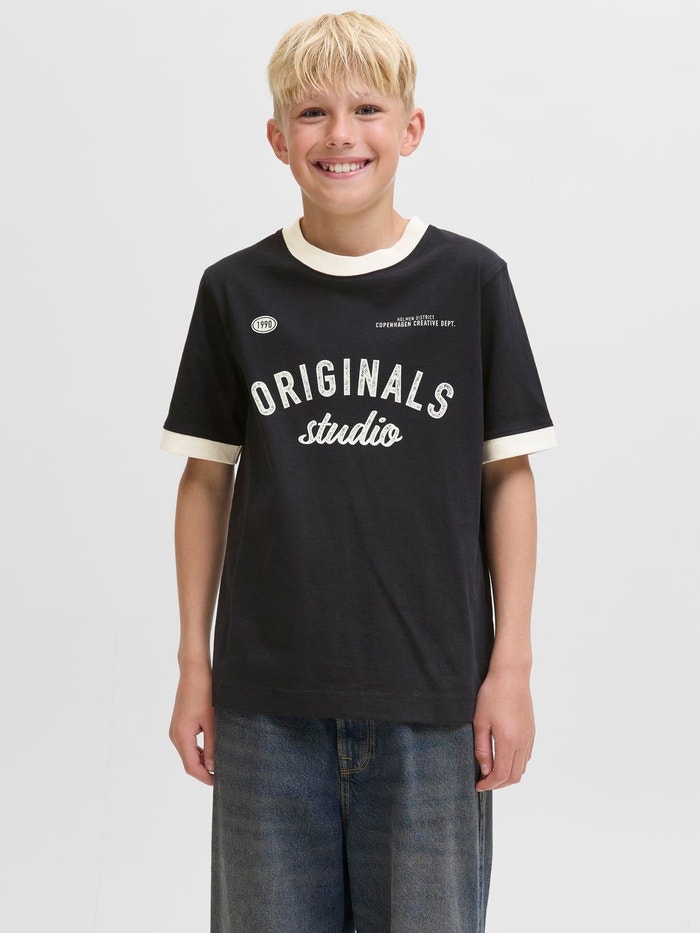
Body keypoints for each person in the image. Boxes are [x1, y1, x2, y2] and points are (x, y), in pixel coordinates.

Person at [160, 11, 556, 932]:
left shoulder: (470, 281)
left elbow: (508, 476)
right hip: (266, 706)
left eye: (367, 109)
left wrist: (512, 666)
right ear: (277, 138)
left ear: (410, 129)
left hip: (433, 701)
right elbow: (205, 481)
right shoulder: (235, 290)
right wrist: (193, 664)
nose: (340, 135)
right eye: (312, 113)